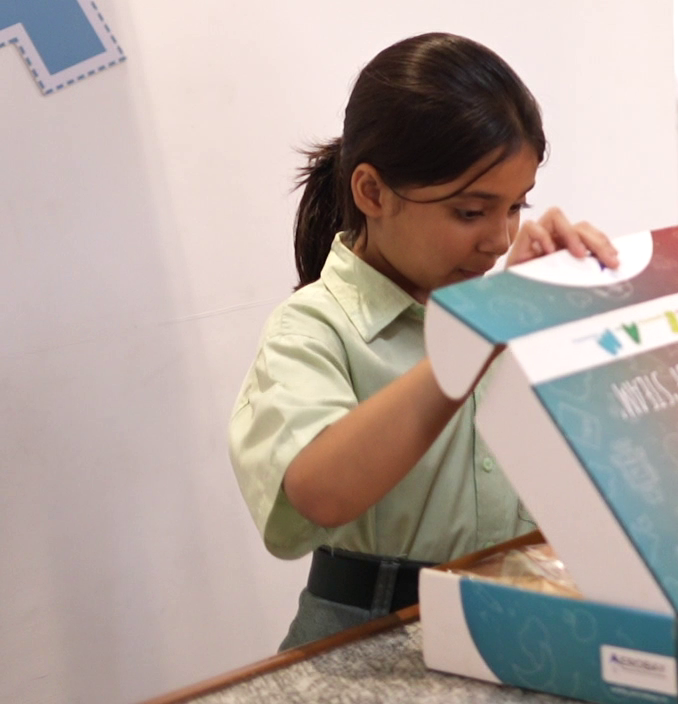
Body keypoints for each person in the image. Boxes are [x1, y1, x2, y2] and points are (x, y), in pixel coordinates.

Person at [229, 32, 618, 649]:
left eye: (515, 207)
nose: (499, 239)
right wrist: (475, 341)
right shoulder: (314, 328)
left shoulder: (513, 311)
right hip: (366, 639)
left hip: (518, 622)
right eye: (470, 212)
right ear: (372, 193)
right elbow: (320, 492)